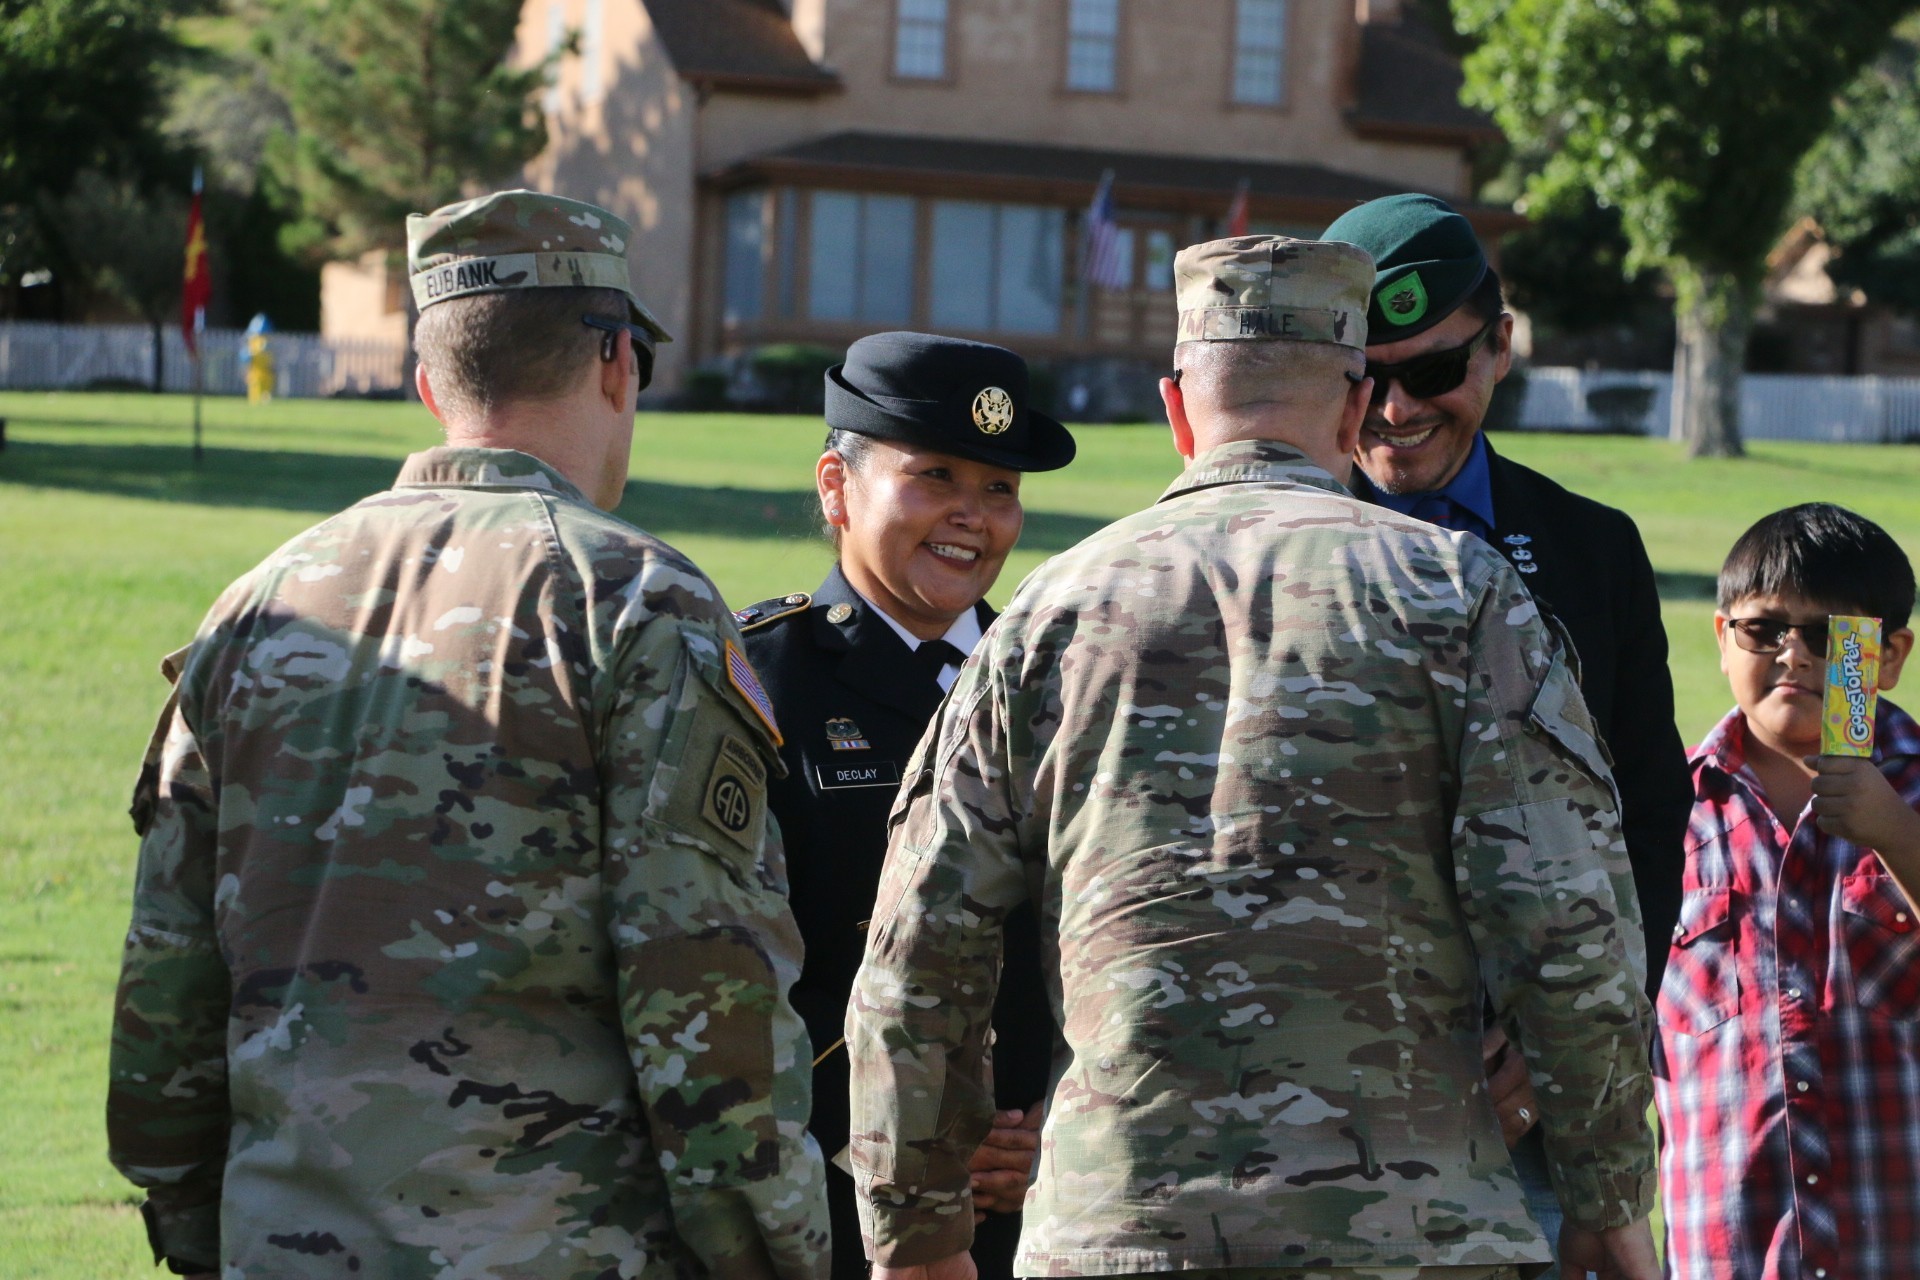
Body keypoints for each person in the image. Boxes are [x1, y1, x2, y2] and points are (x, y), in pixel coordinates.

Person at [844, 236, 1660, 1280]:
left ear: (1177, 409)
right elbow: (1572, 927)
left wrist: (915, 1234)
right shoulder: (1462, 596)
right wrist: (1608, 1194)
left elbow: (916, 954)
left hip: (1120, 1228)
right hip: (1413, 1234)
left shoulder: (1050, 612)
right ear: (1359, 405)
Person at [107, 189, 828, 1280]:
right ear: (618, 365)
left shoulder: (253, 608)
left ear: (428, 384)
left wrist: (201, 1227)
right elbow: (706, 998)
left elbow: (167, 984)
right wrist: (774, 1252)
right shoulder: (633, 600)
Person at [1322, 193, 1691, 1252]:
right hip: (1309, 1098)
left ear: (1501, 346)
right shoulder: (1266, 545)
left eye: (1433, 371)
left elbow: (1649, 812)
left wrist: (1579, 1039)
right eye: (1363, 378)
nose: (1394, 411)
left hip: (1529, 1110)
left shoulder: (1590, 547)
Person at [737, 332, 1073, 1280]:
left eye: (999, 489)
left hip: (1050, 1200)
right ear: (838, 488)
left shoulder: (1065, 678)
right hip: (836, 1205)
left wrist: (1059, 1121)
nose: (972, 517)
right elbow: (730, 974)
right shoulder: (759, 684)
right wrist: (914, 1152)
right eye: (935, 477)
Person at [1656, 503, 1920, 1280]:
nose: (1794, 656)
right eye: (1764, 630)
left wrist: (1895, 833)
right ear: (1721, 637)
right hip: (1731, 1246)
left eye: (1829, 635)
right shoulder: (1665, 807)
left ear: (1888, 655)